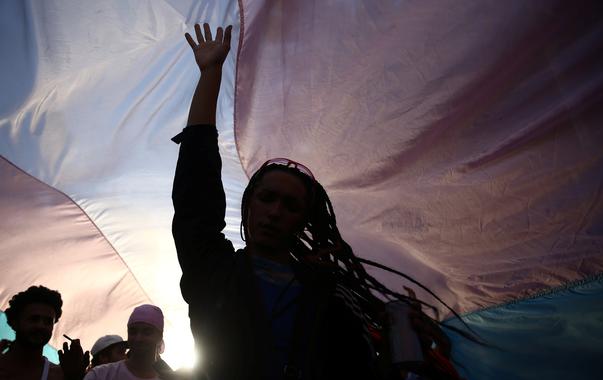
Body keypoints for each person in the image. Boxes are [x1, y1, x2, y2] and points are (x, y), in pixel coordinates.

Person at [173, 23, 469, 380]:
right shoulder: (214, 271)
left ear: (304, 220)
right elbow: (196, 193)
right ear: (249, 205)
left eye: (291, 205)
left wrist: (403, 355)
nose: (275, 211)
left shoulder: (329, 293)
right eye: (267, 198)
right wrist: (211, 74)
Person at [0, 285, 89, 380]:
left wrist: (74, 377)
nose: (40, 326)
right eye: (34, 319)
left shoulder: (58, 375)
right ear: (14, 323)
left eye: (48, 322)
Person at [84, 305, 171, 380]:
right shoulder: (100, 375)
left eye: (147, 332)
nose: (138, 338)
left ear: (160, 337)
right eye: (133, 331)